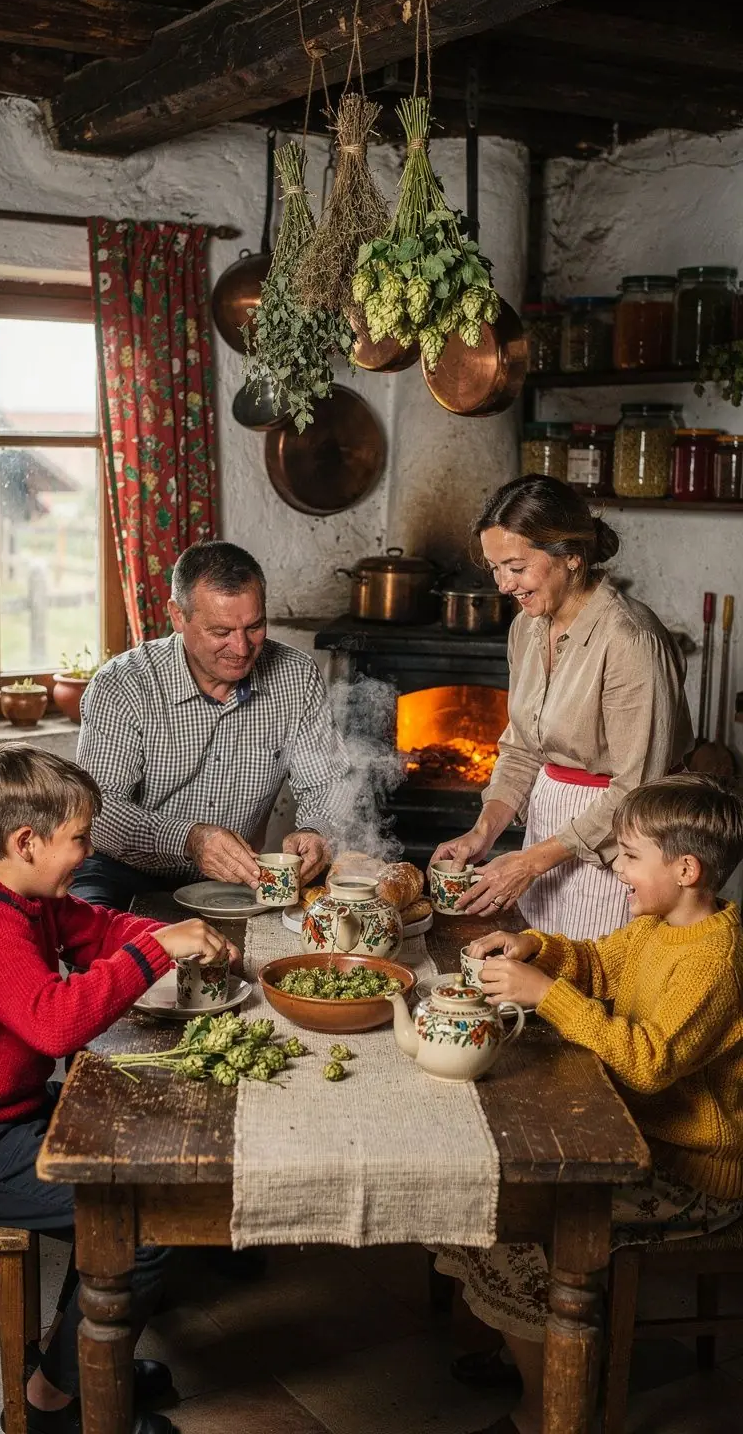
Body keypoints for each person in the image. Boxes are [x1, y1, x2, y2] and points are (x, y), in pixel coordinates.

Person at [0, 744, 238, 1434]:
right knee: (140, 1216)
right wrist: (160, 951)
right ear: (26, 841)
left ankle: (85, 1365)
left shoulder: (22, 890)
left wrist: (173, 933)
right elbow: (55, 1024)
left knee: (131, 1168)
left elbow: (99, 930)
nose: (90, 851)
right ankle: (56, 1403)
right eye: (80, 839)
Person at [435, 774, 743, 1434]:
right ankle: (527, 1343)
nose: (618, 867)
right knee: (491, 1189)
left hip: (692, 1175)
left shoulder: (715, 958)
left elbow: (648, 1061)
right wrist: (533, 948)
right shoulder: (659, 924)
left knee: (509, 1230)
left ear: (684, 868)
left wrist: (545, 994)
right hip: (638, 1137)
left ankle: (546, 1408)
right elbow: (599, 964)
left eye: (630, 855)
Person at [429, 476, 693, 940]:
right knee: (540, 967)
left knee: (594, 982)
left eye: (515, 567)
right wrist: (483, 833)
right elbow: (522, 749)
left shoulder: (630, 640)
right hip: (550, 834)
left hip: (621, 847)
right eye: (494, 568)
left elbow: (637, 788)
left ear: (571, 556)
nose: (503, 584)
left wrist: (531, 862)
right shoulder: (526, 630)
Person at [73, 540, 351, 910]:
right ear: (177, 615)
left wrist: (317, 831)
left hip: (235, 880)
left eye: (254, 626)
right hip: (120, 871)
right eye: (221, 632)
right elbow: (97, 811)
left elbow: (328, 783)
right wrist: (188, 840)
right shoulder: (123, 684)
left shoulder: (296, 676)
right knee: (94, 942)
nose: (241, 648)